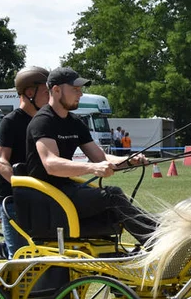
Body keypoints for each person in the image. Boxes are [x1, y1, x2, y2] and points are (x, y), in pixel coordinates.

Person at [25, 67, 158, 246]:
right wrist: (91, 168)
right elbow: (51, 164)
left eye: (81, 89)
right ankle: (155, 239)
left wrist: (129, 160)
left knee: (114, 201)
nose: (80, 94)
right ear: (56, 90)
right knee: (112, 195)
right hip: (46, 198)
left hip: (66, 191)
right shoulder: (43, 121)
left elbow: (100, 157)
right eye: (75, 89)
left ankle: (156, 232)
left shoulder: (75, 123)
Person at [0, 65, 49, 259]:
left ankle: (4, 249)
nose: (50, 96)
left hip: (41, 198)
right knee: (20, 258)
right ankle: (8, 250)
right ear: (30, 92)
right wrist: (22, 186)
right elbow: (1, 161)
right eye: (46, 91)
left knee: (45, 253)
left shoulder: (46, 121)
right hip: (13, 199)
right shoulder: (11, 121)